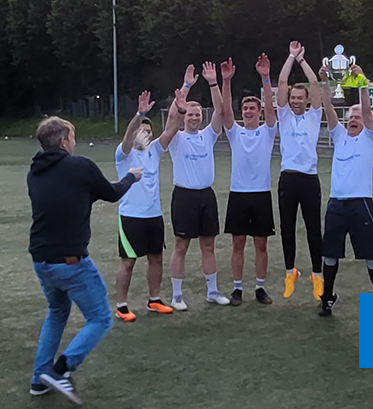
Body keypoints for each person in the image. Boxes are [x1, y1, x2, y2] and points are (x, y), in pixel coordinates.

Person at [27, 114, 145, 404]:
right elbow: (112, 193)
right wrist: (131, 177)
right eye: (73, 137)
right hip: (70, 261)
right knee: (101, 318)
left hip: (41, 259)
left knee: (57, 313)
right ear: (64, 141)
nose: (74, 142)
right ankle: (60, 370)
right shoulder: (79, 166)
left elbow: (71, 198)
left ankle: (39, 379)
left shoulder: (35, 172)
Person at [317, 63, 373, 317]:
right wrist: (325, 82)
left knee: (371, 255)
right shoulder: (339, 136)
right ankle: (327, 298)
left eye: (357, 118)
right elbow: (328, 108)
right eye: (350, 118)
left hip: (361, 204)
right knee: (330, 254)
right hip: (336, 204)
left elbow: (366, 110)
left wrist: (362, 82)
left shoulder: (370, 137)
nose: (353, 120)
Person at [113, 90, 186, 322]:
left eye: (148, 131)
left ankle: (154, 300)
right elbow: (127, 138)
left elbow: (171, 129)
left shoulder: (154, 149)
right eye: (141, 130)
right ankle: (121, 306)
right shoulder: (124, 154)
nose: (145, 133)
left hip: (153, 216)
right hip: (131, 217)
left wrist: (181, 109)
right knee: (128, 261)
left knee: (156, 258)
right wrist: (140, 115)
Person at [164, 63, 231, 310]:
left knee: (208, 244)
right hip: (184, 197)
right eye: (190, 114)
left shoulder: (208, 135)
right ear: (184, 116)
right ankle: (177, 296)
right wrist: (186, 86)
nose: (194, 118)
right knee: (181, 246)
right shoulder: (176, 138)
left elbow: (220, 111)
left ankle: (212, 291)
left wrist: (213, 82)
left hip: (206, 197)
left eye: (197, 114)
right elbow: (172, 117)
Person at [220, 55, 278, 306]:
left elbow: (271, 107)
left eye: (252, 108)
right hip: (239, 194)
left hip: (261, 193)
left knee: (261, 244)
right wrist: (226, 81)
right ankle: (237, 289)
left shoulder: (268, 131)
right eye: (245, 108)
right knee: (238, 243)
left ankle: (260, 288)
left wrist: (265, 77)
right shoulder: (235, 132)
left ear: (259, 112)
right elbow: (225, 111)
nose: (248, 111)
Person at [276, 41, 324, 300]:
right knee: (287, 227)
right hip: (288, 178)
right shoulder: (284, 116)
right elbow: (282, 82)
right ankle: (290, 272)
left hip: (309, 178)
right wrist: (290, 57)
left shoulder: (314, 115)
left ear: (306, 100)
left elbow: (314, 83)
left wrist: (302, 60)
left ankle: (317, 275)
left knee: (314, 228)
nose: (295, 101)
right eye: (292, 98)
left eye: (299, 98)